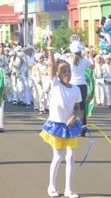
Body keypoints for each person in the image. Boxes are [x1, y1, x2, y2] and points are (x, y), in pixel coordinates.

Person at [40, 34, 82, 198]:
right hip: (57, 124)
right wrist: (50, 47)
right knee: (58, 156)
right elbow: (51, 65)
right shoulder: (55, 84)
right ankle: (51, 187)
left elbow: (78, 108)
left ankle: (68, 189)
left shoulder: (76, 89)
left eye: (69, 71)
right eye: (63, 71)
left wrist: (74, 117)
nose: (67, 73)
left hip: (70, 126)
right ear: (57, 74)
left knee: (71, 156)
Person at [66, 35, 94, 136]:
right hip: (82, 85)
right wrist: (90, 55)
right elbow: (93, 66)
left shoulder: (68, 60)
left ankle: (71, 127)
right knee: (82, 108)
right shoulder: (84, 60)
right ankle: (83, 130)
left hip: (72, 85)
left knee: (71, 107)